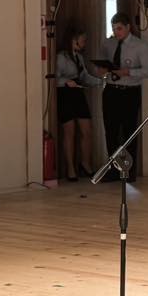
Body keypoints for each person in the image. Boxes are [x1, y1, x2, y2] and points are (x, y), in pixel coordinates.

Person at [98, 12, 148, 178]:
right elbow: (103, 63)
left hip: (129, 92)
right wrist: (101, 70)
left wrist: (128, 72)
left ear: (128, 27)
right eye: (114, 29)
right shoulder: (108, 44)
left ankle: (129, 171)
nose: (116, 32)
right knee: (111, 131)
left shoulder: (140, 46)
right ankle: (113, 170)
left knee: (129, 132)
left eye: (119, 29)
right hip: (111, 90)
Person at [54, 29, 105, 182]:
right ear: (74, 40)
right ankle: (70, 169)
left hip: (78, 94)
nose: (84, 43)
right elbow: (55, 78)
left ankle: (85, 164)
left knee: (87, 130)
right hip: (65, 94)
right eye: (83, 40)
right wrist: (66, 82)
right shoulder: (61, 57)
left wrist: (101, 81)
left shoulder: (79, 57)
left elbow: (84, 77)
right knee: (69, 132)